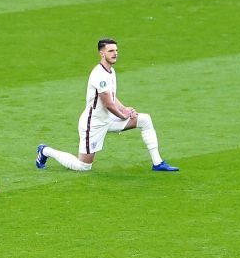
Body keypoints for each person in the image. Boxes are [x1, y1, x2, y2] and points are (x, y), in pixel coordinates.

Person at [36, 39, 177, 174]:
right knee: (83, 166)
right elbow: (108, 104)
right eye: (110, 51)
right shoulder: (99, 74)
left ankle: (157, 163)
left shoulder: (110, 71)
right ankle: (45, 151)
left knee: (145, 119)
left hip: (109, 119)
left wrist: (125, 109)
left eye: (116, 50)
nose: (115, 53)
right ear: (102, 53)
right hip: (94, 124)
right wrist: (123, 115)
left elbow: (112, 98)